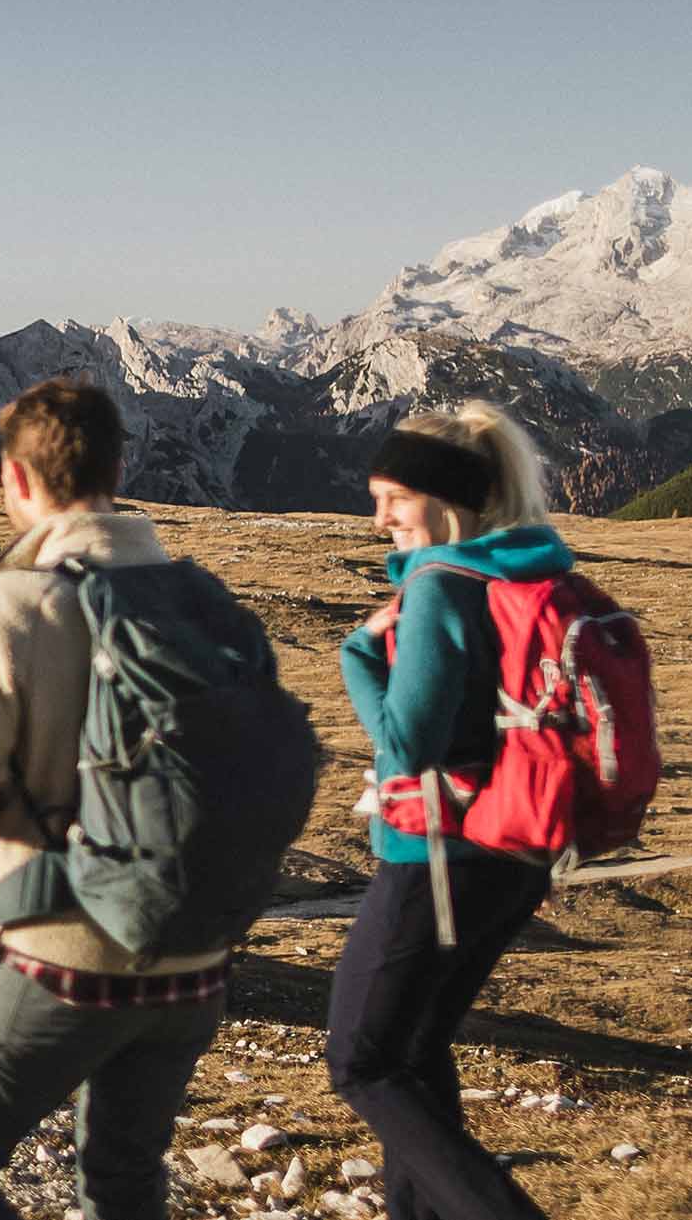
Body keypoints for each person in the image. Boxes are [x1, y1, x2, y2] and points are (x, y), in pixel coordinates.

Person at [0, 378, 231, 1220]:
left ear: (15, 481)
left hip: (65, 953)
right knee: (124, 1181)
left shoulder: (10, 604)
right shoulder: (200, 599)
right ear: (121, 464)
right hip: (194, 956)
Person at [328, 404, 566, 1220]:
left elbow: (404, 746)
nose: (380, 516)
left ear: (444, 497)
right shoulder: (521, 572)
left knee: (362, 1060)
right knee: (414, 1054)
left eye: (394, 496)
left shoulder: (438, 587)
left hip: (438, 858)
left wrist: (358, 654)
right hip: (514, 854)